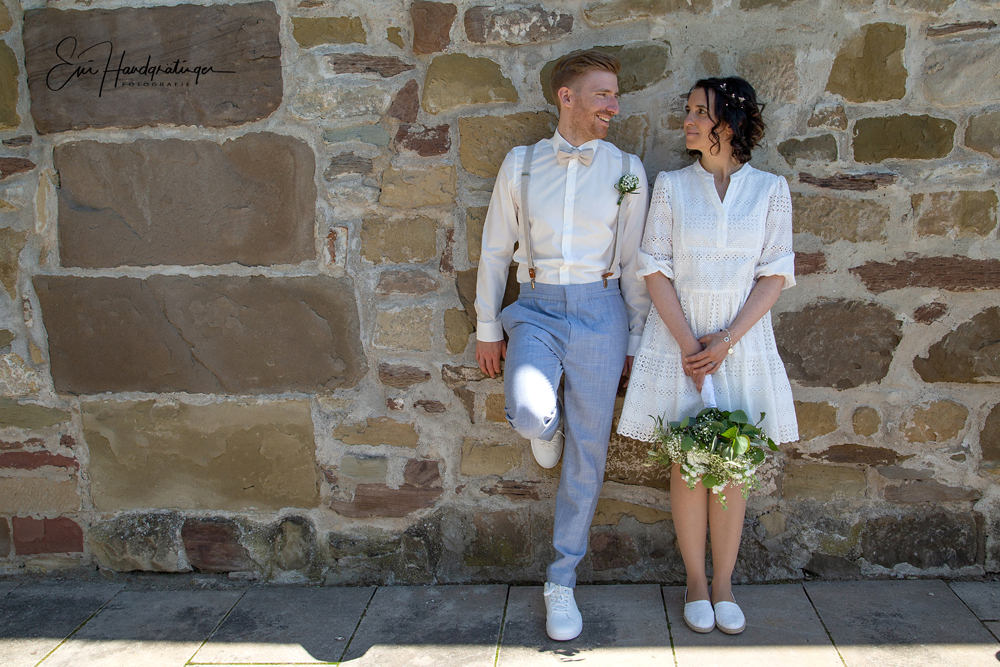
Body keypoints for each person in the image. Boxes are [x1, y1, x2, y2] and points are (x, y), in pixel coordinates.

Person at [474, 50, 650, 641]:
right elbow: (494, 250)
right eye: (603, 94)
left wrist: (636, 336)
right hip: (537, 307)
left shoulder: (627, 170)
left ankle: (561, 581)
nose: (613, 106)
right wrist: (487, 327)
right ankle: (545, 429)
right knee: (528, 410)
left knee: (590, 455)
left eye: (616, 95)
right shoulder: (520, 164)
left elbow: (633, 262)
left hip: (603, 313)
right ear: (566, 97)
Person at [617, 77, 799, 635]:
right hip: (679, 341)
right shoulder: (672, 186)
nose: (689, 121)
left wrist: (725, 341)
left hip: (739, 345)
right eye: (690, 110)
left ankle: (725, 585)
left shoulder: (769, 190)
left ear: (731, 122)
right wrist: (692, 347)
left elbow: (774, 275)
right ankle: (696, 582)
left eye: (701, 112)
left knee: (731, 461)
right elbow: (654, 269)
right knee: (689, 461)